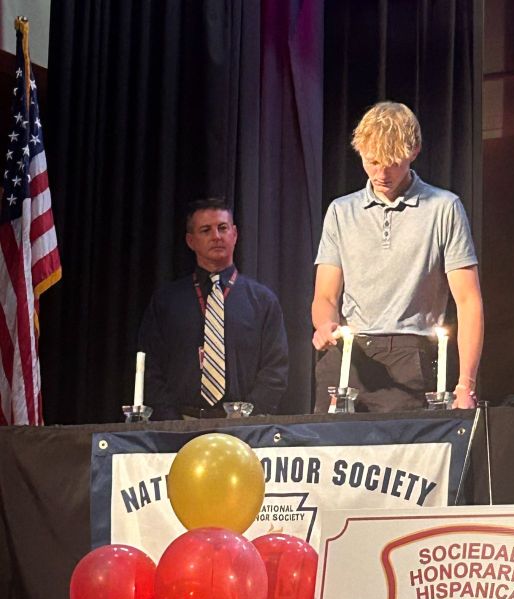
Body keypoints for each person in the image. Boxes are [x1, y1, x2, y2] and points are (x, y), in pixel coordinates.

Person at [312, 101, 483, 413]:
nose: (381, 173)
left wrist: (465, 384)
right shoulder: (341, 211)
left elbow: (468, 300)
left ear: (414, 151)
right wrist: (325, 324)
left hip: (410, 355)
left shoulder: (443, 208)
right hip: (349, 356)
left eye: (392, 163)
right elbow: (325, 295)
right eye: (372, 161)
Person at [140, 198, 289, 419]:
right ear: (191, 241)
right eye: (205, 230)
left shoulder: (263, 301)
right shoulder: (166, 301)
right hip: (180, 424)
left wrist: (247, 418)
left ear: (234, 234)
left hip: (244, 427)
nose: (216, 236)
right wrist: (171, 421)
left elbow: (275, 369)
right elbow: (150, 368)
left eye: (222, 228)